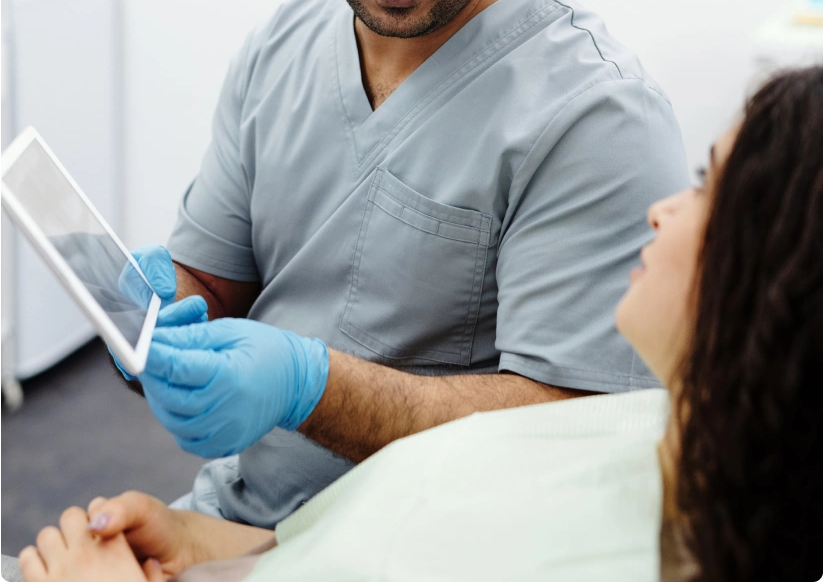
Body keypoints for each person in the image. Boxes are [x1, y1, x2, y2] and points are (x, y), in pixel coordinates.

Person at [121, 0, 687, 526]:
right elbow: (215, 280)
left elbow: (576, 432)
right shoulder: (284, 45)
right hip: (237, 519)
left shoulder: (594, 116)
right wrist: (146, 310)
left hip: (423, 548)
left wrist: (308, 387)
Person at [17, 65, 823, 581]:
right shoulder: (637, 429)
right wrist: (204, 547)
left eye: (704, 190)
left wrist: (311, 384)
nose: (659, 211)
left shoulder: (591, 113)